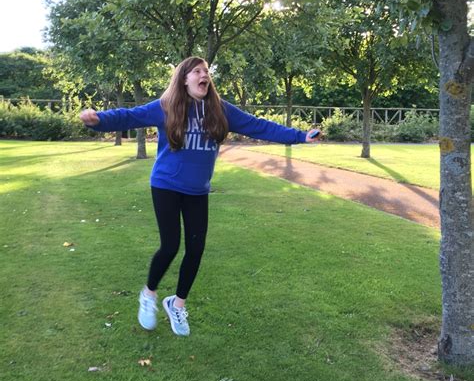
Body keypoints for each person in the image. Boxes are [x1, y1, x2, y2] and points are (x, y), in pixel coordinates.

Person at [80, 56, 320, 337]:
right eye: (197, 71)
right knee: (170, 246)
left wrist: (300, 136)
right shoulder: (166, 106)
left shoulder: (220, 110)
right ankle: (149, 294)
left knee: (195, 249)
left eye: (206, 71)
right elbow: (129, 116)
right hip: (166, 185)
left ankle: (177, 304)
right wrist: (98, 120)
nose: (203, 75)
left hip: (197, 190)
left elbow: (259, 126)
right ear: (184, 78)